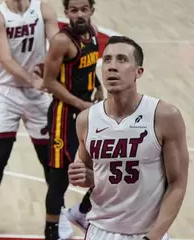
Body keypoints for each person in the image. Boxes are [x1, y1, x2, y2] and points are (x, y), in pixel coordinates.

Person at [69, 36, 189, 240]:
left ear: (138, 72)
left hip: (146, 234)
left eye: (122, 59)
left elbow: (177, 184)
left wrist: (153, 237)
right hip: (99, 231)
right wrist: (81, 176)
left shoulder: (164, 116)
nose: (112, 67)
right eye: (106, 60)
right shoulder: (86, 120)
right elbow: (90, 176)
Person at [0, 0, 60, 239]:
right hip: (7, 91)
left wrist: (49, 72)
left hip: (37, 94)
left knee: (48, 159)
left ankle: (56, 214)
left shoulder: (44, 9)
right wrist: (35, 80)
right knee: (1, 155)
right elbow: (6, 59)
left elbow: (56, 45)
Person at [41, 0, 104, 240]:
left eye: (84, 9)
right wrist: (81, 104)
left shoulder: (94, 33)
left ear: (91, 11)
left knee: (101, 167)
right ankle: (51, 231)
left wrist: (98, 86)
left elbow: (88, 69)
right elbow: (49, 81)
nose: (80, 14)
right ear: (66, 12)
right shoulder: (61, 41)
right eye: (74, 10)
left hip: (87, 112)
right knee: (59, 178)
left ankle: (81, 211)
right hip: (63, 116)